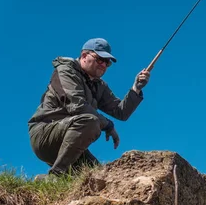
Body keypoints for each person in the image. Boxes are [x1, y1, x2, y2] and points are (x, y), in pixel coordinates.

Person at [28, 38, 150, 177]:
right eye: (100, 59)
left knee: (99, 178)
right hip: (45, 134)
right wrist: (108, 125)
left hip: (70, 142)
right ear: (84, 56)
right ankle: (56, 175)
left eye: (107, 62)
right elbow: (77, 106)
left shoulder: (99, 85)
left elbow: (120, 112)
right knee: (90, 121)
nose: (103, 65)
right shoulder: (65, 71)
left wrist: (136, 89)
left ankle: (45, 182)